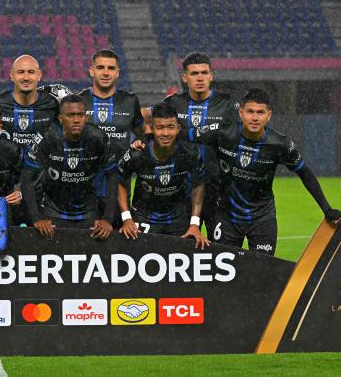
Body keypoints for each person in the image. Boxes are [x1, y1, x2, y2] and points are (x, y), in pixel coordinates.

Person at [190, 88, 341, 255]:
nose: (255, 118)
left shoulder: (280, 145)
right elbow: (182, 135)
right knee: (223, 276)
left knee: (264, 275)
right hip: (227, 218)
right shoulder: (223, 132)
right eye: (250, 112)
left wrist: (327, 209)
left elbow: (305, 174)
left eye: (260, 112)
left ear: (269, 115)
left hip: (262, 219)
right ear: (241, 113)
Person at [141, 52, 239, 239]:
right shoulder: (174, 103)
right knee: (181, 249)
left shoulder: (227, 105)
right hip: (181, 191)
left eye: (204, 72)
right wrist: (145, 137)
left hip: (217, 189)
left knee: (219, 248)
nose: (200, 78)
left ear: (212, 75)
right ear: (184, 78)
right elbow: (142, 115)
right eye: (194, 74)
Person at [0, 55, 71, 225]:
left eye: (31, 72)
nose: (26, 77)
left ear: (39, 75)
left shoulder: (54, 104)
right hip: (6, 190)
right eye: (20, 72)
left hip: (44, 191)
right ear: (11, 75)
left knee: (45, 241)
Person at [22, 94, 117, 239]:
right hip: (53, 213)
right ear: (60, 118)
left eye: (80, 115)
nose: (76, 120)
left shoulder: (99, 137)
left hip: (89, 213)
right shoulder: (45, 137)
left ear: (86, 117)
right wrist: (36, 218)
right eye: (71, 115)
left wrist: (107, 219)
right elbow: (27, 179)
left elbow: (112, 177)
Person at [117, 103, 209, 249]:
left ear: (178, 129)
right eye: (160, 128)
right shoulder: (137, 153)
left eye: (170, 127)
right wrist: (126, 218)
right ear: (152, 129)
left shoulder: (190, 153)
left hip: (178, 219)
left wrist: (194, 223)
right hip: (143, 217)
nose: (165, 133)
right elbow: (120, 181)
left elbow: (199, 184)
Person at [78, 49, 144, 229]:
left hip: (119, 189)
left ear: (117, 72)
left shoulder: (130, 101)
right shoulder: (79, 101)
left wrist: (140, 142)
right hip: (84, 188)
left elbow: (141, 132)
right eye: (100, 67)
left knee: (117, 245)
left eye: (110, 68)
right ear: (91, 70)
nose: (105, 72)